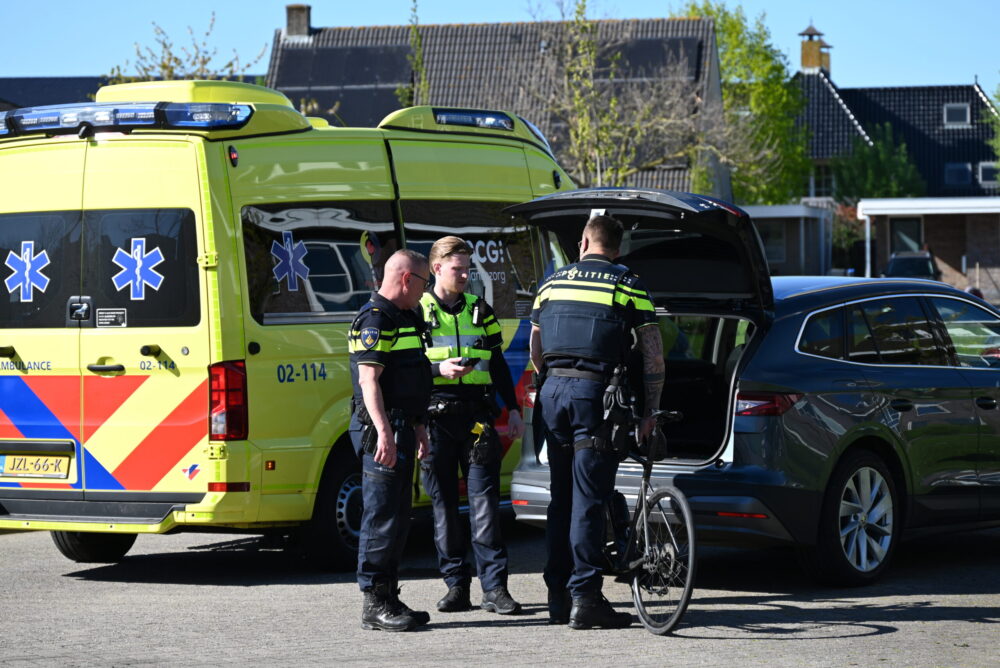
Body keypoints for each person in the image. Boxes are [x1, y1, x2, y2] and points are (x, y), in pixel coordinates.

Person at [529, 214, 664, 630]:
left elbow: (535, 345)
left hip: (552, 394)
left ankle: (558, 597)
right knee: (588, 498)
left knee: (561, 498)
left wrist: (551, 381)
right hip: (595, 397)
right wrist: (650, 412)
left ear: (583, 243)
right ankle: (585, 598)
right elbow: (653, 355)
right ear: (618, 249)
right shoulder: (627, 284)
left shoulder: (551, 283)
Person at [418, 236, 526, 615]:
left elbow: (497, 362)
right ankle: (456, 587)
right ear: (437, 269)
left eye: (467, 268)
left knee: (485, 506)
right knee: (445, 508)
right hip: (434, 419)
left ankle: (495, 589)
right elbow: (405, 368)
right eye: (457, 269)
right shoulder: (417, 312)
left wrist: (513, 409)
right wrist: (438, 369)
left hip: (477, 419)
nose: (465, 275)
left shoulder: (481, 310)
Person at [349, 249, 434, 632]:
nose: (425, 291)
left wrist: (418, 426)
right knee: (381, 516)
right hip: (383, 430)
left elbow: (411, 378)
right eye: (423, 282)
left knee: (399, 518)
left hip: (403, 425)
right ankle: (374, 602)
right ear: (406, 279)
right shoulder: (376, 319)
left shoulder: (405, 317)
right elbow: (369, 381)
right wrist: (384, 431)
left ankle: (389, 596)